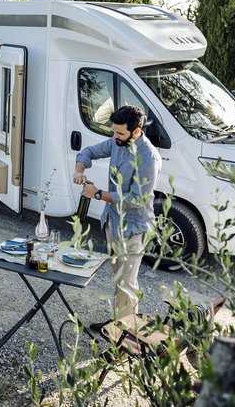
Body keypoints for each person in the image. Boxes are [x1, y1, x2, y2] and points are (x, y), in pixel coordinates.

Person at [72, 105, 161, 329]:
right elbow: (89, 152)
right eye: (113, 132)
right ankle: (118, 324)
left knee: (127, 283)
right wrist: (79, 169)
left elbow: (136, 199)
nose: (115, 137)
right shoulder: (117, 142)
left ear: (137, 132)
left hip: (134, 228)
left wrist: (99, 194)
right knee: (118, 277)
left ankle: (125, 336)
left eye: (120, 133)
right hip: (112, 221)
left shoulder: (148, 158)